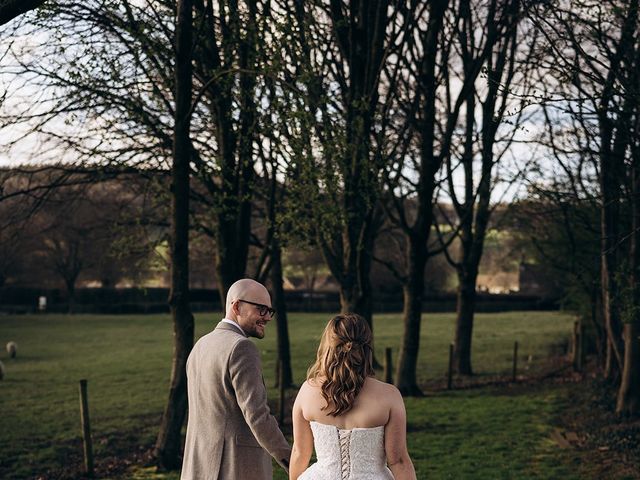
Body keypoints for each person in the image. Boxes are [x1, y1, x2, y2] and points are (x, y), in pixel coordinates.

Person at [181, 278, 291, 480]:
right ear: (237, 306)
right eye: (261, 309)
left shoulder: (200, 345)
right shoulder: (241, 348)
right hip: (235, 468)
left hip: (198, 468)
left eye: (269, 311)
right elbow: (258, 416)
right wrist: (293, 462)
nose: (267, 317)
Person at [290, 313, 416, 480]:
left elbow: (300, 453)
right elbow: (398, 461)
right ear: (367, 347)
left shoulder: (307, 390)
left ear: (328, 345)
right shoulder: (389, 396)